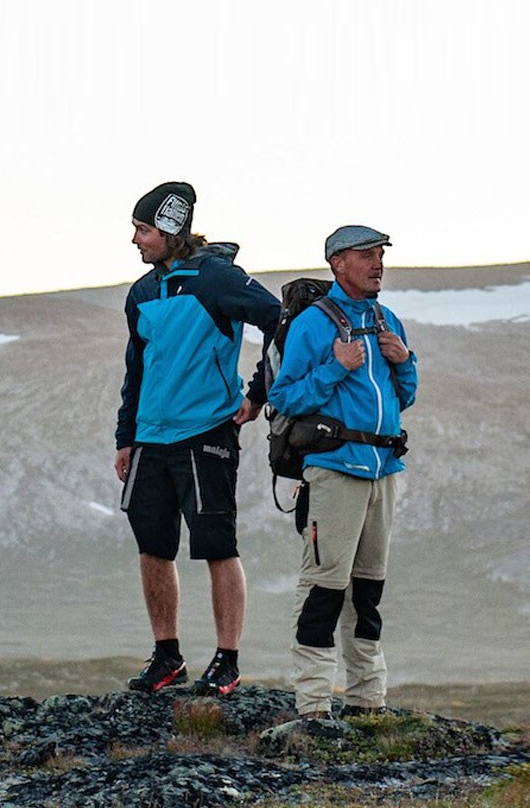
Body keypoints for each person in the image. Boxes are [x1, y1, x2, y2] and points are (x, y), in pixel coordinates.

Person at [115, 181, 282, 695]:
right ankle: (167, 656)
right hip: (150, 439)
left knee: (217, 546)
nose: (136, 241)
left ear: (170, 230)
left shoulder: (215, 279)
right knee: (153, 548)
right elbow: (136, 370)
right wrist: (126, 437)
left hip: (206, 431)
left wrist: (256, 393)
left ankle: (227, 660)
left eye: (143, 230)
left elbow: (279, 320)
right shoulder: (143, 293)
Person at [269, 225, 417, 719]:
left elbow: (405, 397)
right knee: (324, 588)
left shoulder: (386, 318)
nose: (377, 264)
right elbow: (283, 397)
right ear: (338, 263)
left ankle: (366, 700)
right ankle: (312, 706)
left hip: (384, 470)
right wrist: (336, 367)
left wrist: (405, 361)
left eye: (380, 255)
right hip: (334, 470)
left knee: (368, 590)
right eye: (366, 256)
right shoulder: (314, 324)